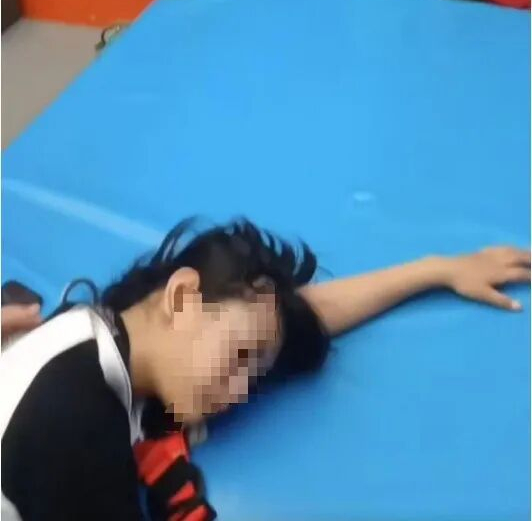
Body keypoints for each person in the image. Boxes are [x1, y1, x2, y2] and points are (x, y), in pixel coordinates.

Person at [1, 218, 529, 521]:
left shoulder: (109, 333)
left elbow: (293, 319)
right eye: (238, 359)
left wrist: (435, 270)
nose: (238, 392)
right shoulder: (73, 425)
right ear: (181, 297)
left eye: (252, 376)